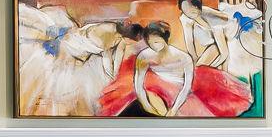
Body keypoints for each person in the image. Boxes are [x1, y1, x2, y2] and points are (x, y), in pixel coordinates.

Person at [96, 21, 254, 118]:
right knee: (142, 90)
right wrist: (146, 103)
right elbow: (138, 83)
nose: (154, 46)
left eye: (157, 42)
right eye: (150, 43)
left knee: (216, 100)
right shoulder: (144, 56)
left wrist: (174, 109)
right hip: (159, 81)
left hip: (185, 83)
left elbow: (186, 87)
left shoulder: (182, 57)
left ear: (165, 40)